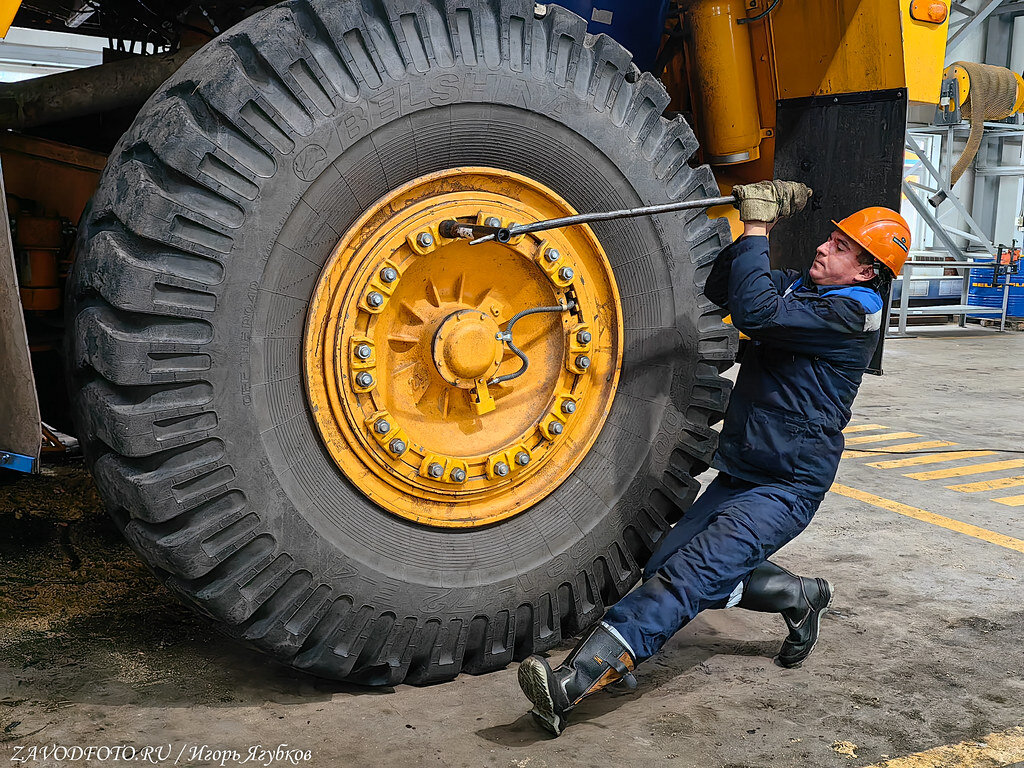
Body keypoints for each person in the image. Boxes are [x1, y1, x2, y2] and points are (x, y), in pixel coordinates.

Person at [517, 180, 912, 736]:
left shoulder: (847, 318)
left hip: (787, 486)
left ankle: (573, 683)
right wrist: (739, 222)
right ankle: (801, 596)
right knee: (666, 566)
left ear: (867, 271)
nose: (824, 247)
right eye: (831, 237)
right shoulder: (805, 293)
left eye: (843, 248)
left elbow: (755, 313)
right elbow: (727, 287)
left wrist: (759, 228)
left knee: (691, 575)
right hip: (745, 470)